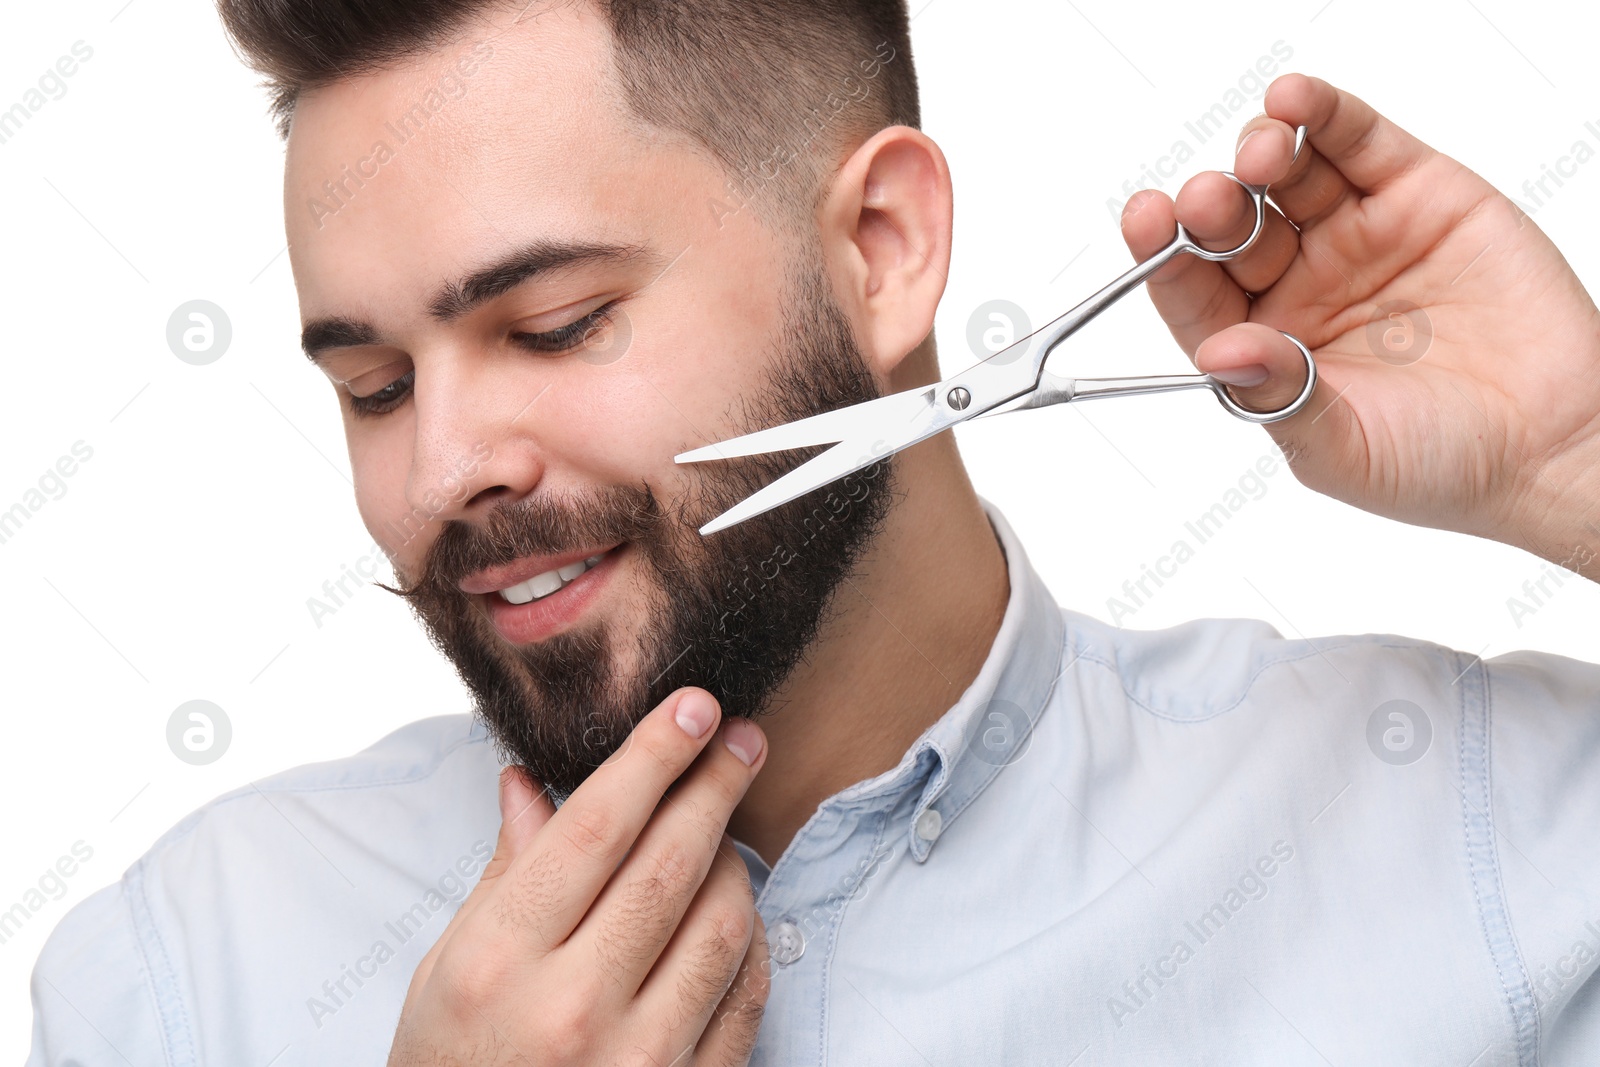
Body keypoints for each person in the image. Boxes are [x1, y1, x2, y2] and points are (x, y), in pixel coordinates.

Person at [28, 0, 1600, 1063]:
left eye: (557, 324)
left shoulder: (1471, 829)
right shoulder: (191, 969)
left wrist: (1580, 468)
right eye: (372, 386)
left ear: (884, 248)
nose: (441, 471)